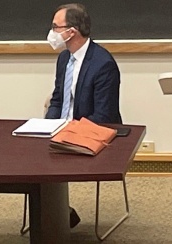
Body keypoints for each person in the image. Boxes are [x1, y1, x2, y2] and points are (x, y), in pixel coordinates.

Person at [44, 3, 122, 228]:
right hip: (63, 130)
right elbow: (58, 99)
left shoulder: (103, 64)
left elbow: (104, 115)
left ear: (72, 32)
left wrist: (70, 132)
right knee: (31, 154)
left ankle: (58, 215)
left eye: (55, 27)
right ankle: (54, 213)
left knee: (52, 158)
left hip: (88, 133)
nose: (52, 33)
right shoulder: (63, 59)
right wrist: (47, 127)